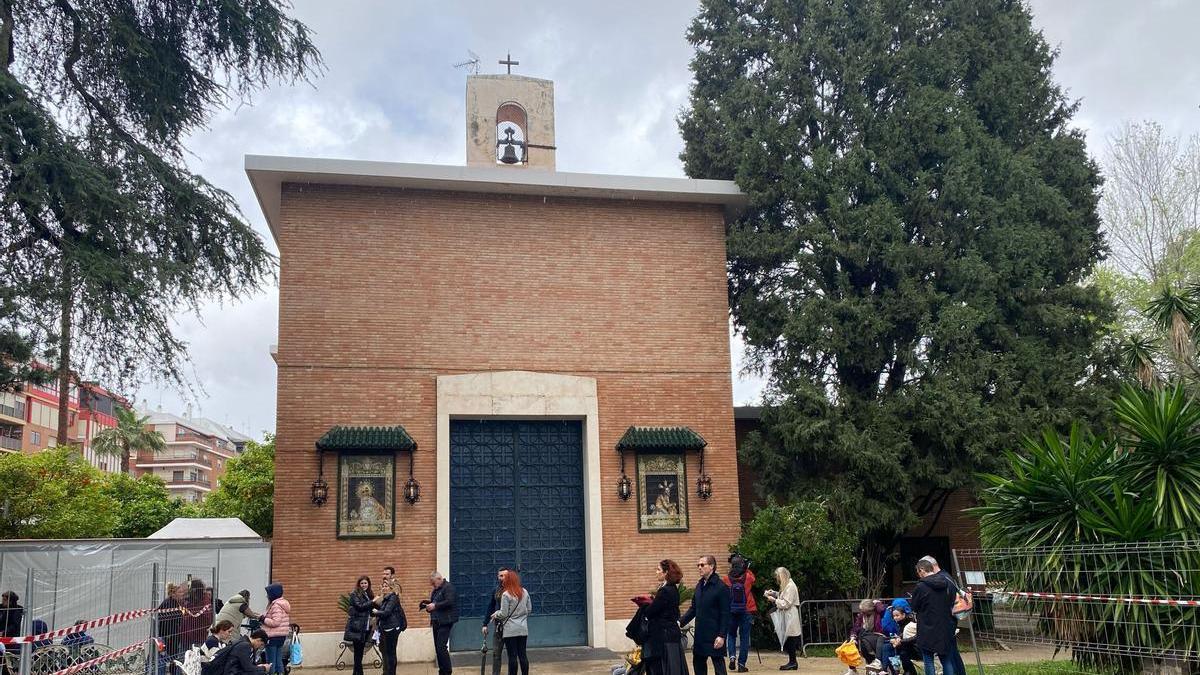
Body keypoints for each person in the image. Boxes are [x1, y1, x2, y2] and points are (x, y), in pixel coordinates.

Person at [680, 555, 730, 675]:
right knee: (698, 664)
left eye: (702, 565)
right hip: (700, 634)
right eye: (698, 565)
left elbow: (725, 613)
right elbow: (693, 609)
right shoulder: (699, 586)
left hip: (715, 634)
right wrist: (679, 622)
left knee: (719, 666)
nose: (699, 567)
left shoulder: (721, 587)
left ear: (711, 566)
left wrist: (722, 635)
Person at [919, 556, 967, 675]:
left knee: (947, 657)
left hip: (942, 623)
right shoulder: (947, 578)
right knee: (951, 655)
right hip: (948, 621)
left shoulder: (940, 580)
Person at [910, 560, 957, 675]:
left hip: (927, 627)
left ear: (922, 570)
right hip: (944, 625)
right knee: (946, 659)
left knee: (928, 659)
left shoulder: (921, 586)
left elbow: (914, 606)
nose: (918, 575)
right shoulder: (946, 583)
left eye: (918, 572)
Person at [642, 559, 687, 675]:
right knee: (672, 667)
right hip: (670, 633)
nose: (656, 572)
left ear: (666, 572)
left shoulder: (665, 591)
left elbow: (651, 611)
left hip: (664, 636)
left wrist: (644, 605)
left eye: (658, 569)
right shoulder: (672, 588)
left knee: (664, 668)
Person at [492, 571, 532, 675]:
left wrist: (496, 614)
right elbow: (529, 609)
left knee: (512, 656)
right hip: (523, 628)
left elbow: (504, 613)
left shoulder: (506, 594)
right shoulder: (524, 591)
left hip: (510, 629)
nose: (503, 580)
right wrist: (521, 617)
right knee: (523, 655)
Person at [763, 567, 801, 671]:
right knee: (788, 638)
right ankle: (792, 661)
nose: (777, 579)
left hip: (790, 615)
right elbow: (784, 596)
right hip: (787, 615)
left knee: (790, 638)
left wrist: (774, 600)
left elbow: (786, 603)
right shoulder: (787, 585)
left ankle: (793, 662)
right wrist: (774, 593)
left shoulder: (790, 586)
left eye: (778, 576)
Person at [724, 554, 757, 673]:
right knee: (744, 637)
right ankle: (742, 664)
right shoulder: (748, 577)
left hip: (731, 610)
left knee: (731, 634)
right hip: (746, 610)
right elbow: (754, 579)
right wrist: (747, 568)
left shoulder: (726, 578)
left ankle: (732, 657)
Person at [425, 572, 458, 675]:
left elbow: (449, 601)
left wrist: (435, 606)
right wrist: (428, 605)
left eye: (433, 583)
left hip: (445, 621)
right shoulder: (436, 589)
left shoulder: (448, 587)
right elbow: (435, 603)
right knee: (438, 648)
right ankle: (442, 671)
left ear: (439, 579)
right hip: (436, 621)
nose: (433, 585)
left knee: (441, 647)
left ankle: (447, 671)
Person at [373, 579, 406, 675]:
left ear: (391, 588)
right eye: (383, 586)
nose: (384, 588)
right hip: (386, 627)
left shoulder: (392, 597)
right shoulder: (386, 598)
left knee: (391, 653)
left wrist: (376, 612)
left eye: (386, 586)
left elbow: (387, 612)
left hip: (391, 628)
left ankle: (391, 673)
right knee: (388, 653)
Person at [482, 567, 510, 675]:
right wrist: (485, 624)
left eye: (505, 575)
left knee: (512, 654)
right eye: (501, 575)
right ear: (498, 577)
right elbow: (491, 606)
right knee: (496, 653)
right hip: (498, 627)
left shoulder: (513, 589)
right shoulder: (496, 590)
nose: (503, 578)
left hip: (511, 627)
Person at [345, 576, 375, 675]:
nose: (363, 585)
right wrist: (372, 601)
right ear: (359, 584)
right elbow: (360, 607)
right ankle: (359, 673)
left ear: (368, 584)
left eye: (365, 583)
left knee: (360, 652)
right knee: (358, 652)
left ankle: (356, 673)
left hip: (366, 626)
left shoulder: (369, 594)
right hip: (357, 627)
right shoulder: (355, 594)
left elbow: (371, 609)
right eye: (362, 583)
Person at [846, 599, 886, 673]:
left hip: (877, 636)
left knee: (864, 642)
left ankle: (872, 666)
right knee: (849, 643)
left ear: (871, 610)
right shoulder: (861, 616)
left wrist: (877, 603)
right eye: (862, 611)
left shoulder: (878, 614)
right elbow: (856, 627)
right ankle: (852, 669)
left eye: (865, 611)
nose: (863, 613)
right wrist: (853, 636)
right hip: (864, 635)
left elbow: (882, 609)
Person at [260, 583, 292, 675]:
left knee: (271, 661)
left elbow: (276, 622)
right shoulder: (283, 604)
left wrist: (263, 619)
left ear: (273, 594)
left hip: (272, 636)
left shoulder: (276, 605)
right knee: (278, 659)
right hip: (281, 636)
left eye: (268, 594)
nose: (267, 596)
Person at [878, 603, 917, 675]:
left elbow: (913, 638)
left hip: (912, 647)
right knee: (884, 644)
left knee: (890, 649)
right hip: (904, 644)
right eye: (894, 616)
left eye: (897, 615)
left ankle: (886, 669)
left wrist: (899, 640)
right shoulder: (899, 623)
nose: (895, 618)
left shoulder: (910, 624)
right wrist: (897, 639)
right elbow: (901, 634)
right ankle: (884, 668)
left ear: (903, 615)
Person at [158, 582, 187, 668]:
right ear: (173, 593)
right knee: (169, 657)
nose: (182, 594)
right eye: (180, 592)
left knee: (171, 657)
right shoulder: (168, 604)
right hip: (169, 636)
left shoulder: (174, 602)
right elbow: (167, 622)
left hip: (172, 635)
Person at [183, 579, 213, 649]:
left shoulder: (204, 602)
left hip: (198, 636)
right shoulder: (190, 601)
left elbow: (208, 619)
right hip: (188, 635)